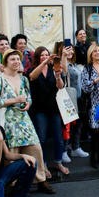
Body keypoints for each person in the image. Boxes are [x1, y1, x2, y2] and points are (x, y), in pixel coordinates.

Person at [0, 49, 54, 194]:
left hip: (24, 119)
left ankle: (41, 180)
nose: (16, 62)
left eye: (18, 59)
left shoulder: (23, 78)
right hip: (8, 120)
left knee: (35, 148)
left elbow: (28, 97)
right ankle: (12, 184)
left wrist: (28, 103)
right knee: (12, 152)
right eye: (12, 59)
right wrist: (14, 100)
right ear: (6, 62)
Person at [28, 47, 70, 175]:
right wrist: (44, 63)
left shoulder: (54, 69)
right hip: (40, 110)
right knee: (42, 138)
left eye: (47, 55)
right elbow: (31, 77)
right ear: (37, 57)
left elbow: (61, 86)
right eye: (42, 55)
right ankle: (43, 164)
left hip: (54, 108)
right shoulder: (33, 70)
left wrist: (58, 77)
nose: (45, 57)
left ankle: (58, 162)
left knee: (58, 137)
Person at [59, 45, 89, 161]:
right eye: (67, 49)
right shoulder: (63, 64)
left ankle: (76, 147)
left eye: (71, 49)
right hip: (68, 99)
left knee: (78, 125)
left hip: (79, 99)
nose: (70, 51)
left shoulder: (76, 65)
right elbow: (64, 74)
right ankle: (64, 151)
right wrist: (64, 57)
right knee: (67, 127)